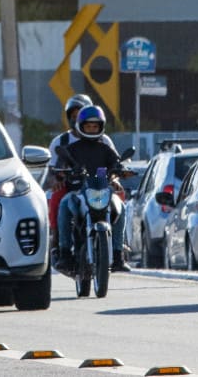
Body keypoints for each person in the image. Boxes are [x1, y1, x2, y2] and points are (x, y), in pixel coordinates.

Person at [52, 105, 130, 273]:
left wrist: (118, 174)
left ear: (101, 127)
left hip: (102, 191)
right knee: (64, 205)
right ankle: (64, 253)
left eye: (95, 126)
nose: (92, 129)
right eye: (88, 126)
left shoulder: (105, 148)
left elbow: (116, 164)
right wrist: (61, 175)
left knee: (121, 208)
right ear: (81, 126)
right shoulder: (71, 149)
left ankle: (118, 254)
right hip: (78, 192)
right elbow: (60, 165)